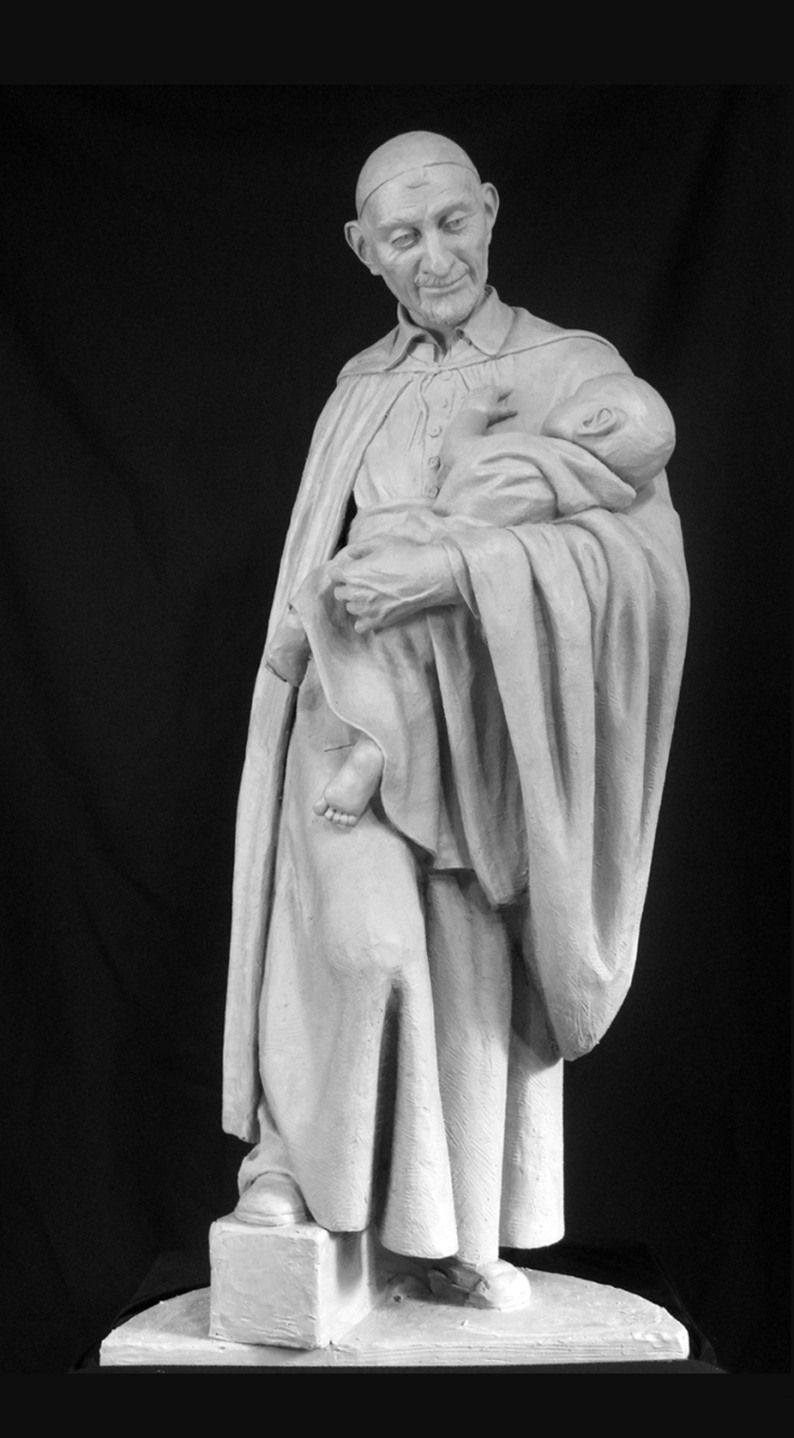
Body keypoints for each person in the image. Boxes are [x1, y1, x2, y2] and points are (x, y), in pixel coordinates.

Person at [222, 132, 689, 1310]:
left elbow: (640, 570)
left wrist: (456, 573)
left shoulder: (572, 368)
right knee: (358, 944)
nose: (433, 256)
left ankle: (443, 1231)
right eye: (401, 236)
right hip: (350, 706)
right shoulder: (358, 389)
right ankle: (286, 1174)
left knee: (469, 980)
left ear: (488, 209)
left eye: (450, 222)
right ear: (362, 251)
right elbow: (314, 564)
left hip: (487, 731)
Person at [265, 374, 676, 850]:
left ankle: (297, 640)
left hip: (427, 545)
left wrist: (474, 412)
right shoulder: (592, 489)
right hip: (474, 605)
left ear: (595, 420)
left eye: (573, 398)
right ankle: (375, 750)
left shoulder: (522, 449)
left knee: (337, 578)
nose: (561, 397)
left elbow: (629, 565)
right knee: (424, 675)